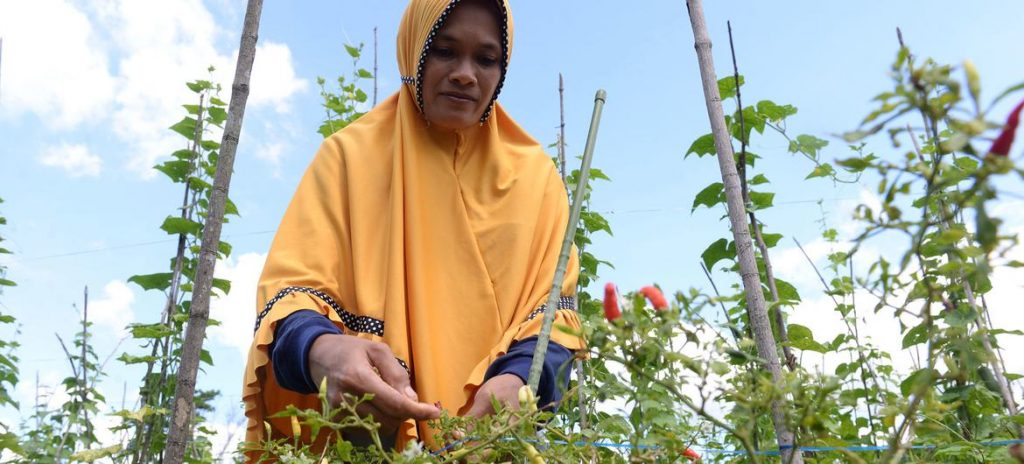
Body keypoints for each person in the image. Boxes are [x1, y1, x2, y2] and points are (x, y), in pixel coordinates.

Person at [242, 0, 585, 452]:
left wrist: (522, 380)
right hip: (369, 443)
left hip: (490, 448)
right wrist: (324, 352)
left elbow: (554, 320)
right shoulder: (350, 159)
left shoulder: (538, 181)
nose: (466, 73)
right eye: (445, 51)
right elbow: (290, 300)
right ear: (414, 51)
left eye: (486, 59)